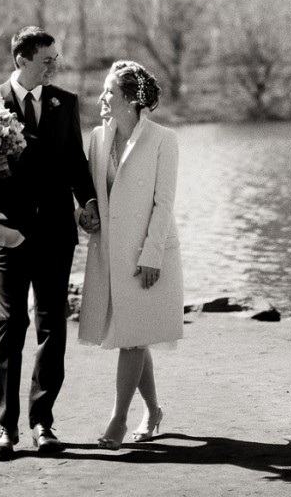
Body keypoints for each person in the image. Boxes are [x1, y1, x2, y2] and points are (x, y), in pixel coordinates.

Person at [0, 26, 99, 459]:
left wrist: (89, 202)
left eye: (56, 59)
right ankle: (7, 428)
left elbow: (77, 163)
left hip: (58, 231)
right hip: (10, 230)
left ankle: (43, 422)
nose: (54, 66)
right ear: (21, 60)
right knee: (10, 326)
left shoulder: (65, 103)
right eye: (47, 60)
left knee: (51, 326)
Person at [78, 59, 184, 451]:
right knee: (132, 336)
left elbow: (164, 203)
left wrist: (152, 254)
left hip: (147, 256)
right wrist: (85, 217)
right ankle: (154, 411)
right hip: (109, 254)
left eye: (109, 92)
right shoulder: (96, 139)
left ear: (129, 100)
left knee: (132, 341)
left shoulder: (163, 139)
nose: (102, 98)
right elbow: (93, 198)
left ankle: (118, 420)